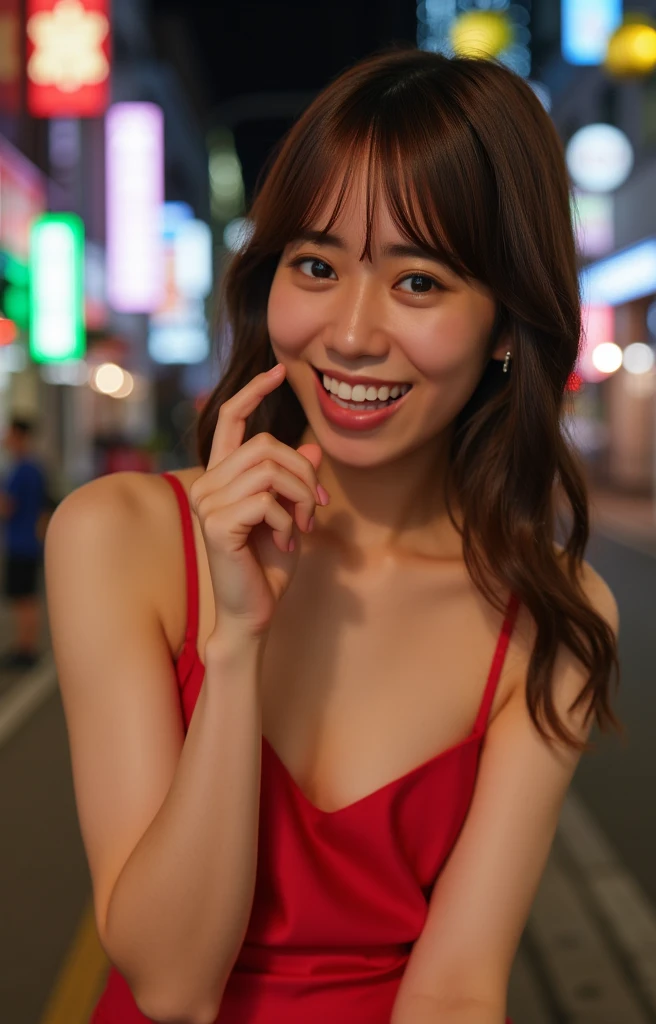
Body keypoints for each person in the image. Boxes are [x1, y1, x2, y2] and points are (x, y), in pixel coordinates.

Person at [45, 49, 621, 1024]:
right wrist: (232, 648)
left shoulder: (549, 615)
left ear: (504, 328)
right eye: (316, 266)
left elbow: (455, 987)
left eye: (419, 282)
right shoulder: (121, 535)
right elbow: (173, 984)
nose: (350, 333)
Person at [0, 415, 48, 670]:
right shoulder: (32, 467)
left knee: (24, 598)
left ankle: (26, 648)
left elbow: (8, 506)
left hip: (22, 541)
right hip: (27, 540)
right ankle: (24, 645)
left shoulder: (23, 469)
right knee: (25, 597)